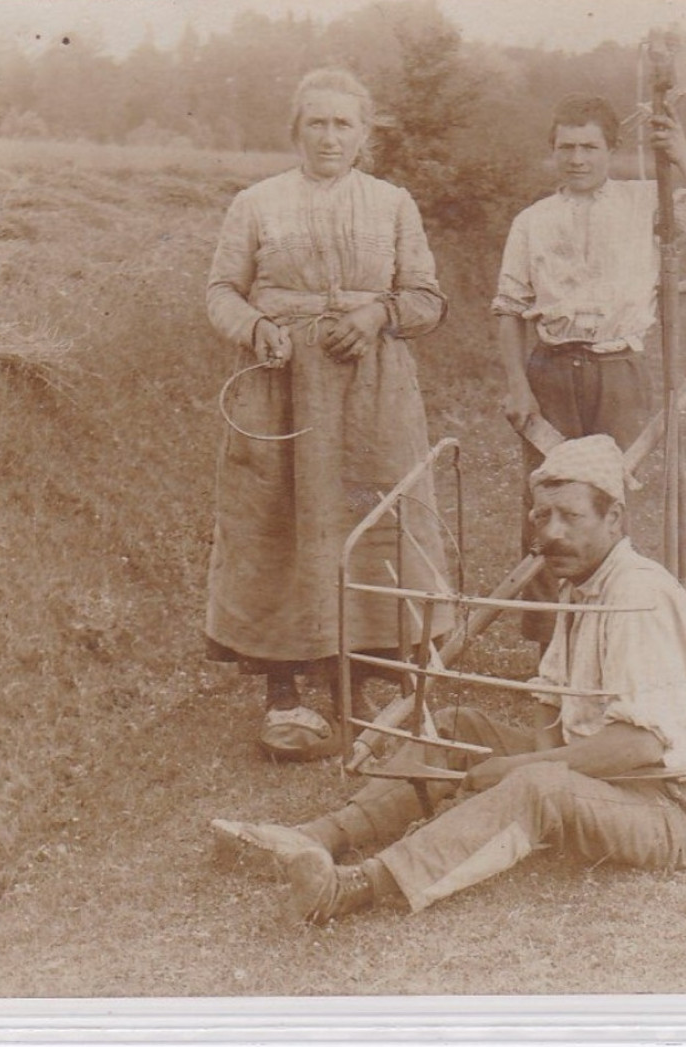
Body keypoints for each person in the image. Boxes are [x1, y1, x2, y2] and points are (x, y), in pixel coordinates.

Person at [212, 434, 686, 922]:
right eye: (542, 517)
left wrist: (521, 770)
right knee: (457, 725)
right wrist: (524, 760)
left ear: (614, 518)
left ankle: (354, 886)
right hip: (614, 785)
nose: (552, 534)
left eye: (571, 517)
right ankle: (314, 838)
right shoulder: (582, 583)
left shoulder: (636, 594)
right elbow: (550, 695)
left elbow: (638, 745)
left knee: (537, 785)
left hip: (670, 807)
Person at [204, 68, 451, 760]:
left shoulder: (392, 203)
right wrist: (256, 329)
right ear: (296, 130)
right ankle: (282, 691)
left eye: (344, 124)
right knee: (278, 524)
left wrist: (377, 314)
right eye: (317, 122)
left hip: (372, 387)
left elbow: (427, 299)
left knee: (376, 523)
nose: (330, 137)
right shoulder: (256, 203)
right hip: (280, 382)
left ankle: (363, 683)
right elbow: (221, 290)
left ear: (365, 135)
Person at [491, 94, 686, 642]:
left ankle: (615, 635)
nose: (577, 159)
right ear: (552, 151)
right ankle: (552, 644)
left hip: (618, 371)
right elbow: (507, 309)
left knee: (611, 500)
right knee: (546, 500)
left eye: (589, 147)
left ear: (612, 150)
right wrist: (518, 386)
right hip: (549, 373)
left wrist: (684, 155)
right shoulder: (532, 221)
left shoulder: (646, 201)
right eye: (565, 148)